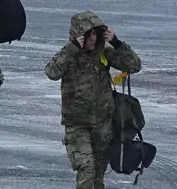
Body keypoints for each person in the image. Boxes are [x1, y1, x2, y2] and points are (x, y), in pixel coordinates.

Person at [45, 12, 142, 189]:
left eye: (96, 34)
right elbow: (52, 72)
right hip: (77, 124)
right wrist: (71, 48)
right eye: (89, 34)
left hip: (103, 124)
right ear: (79, 35)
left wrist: (117, 43)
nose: (93, 38)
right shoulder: (69, 54)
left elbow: (134, 65)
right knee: (87, 170)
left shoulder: (103, 53)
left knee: (98, 176)